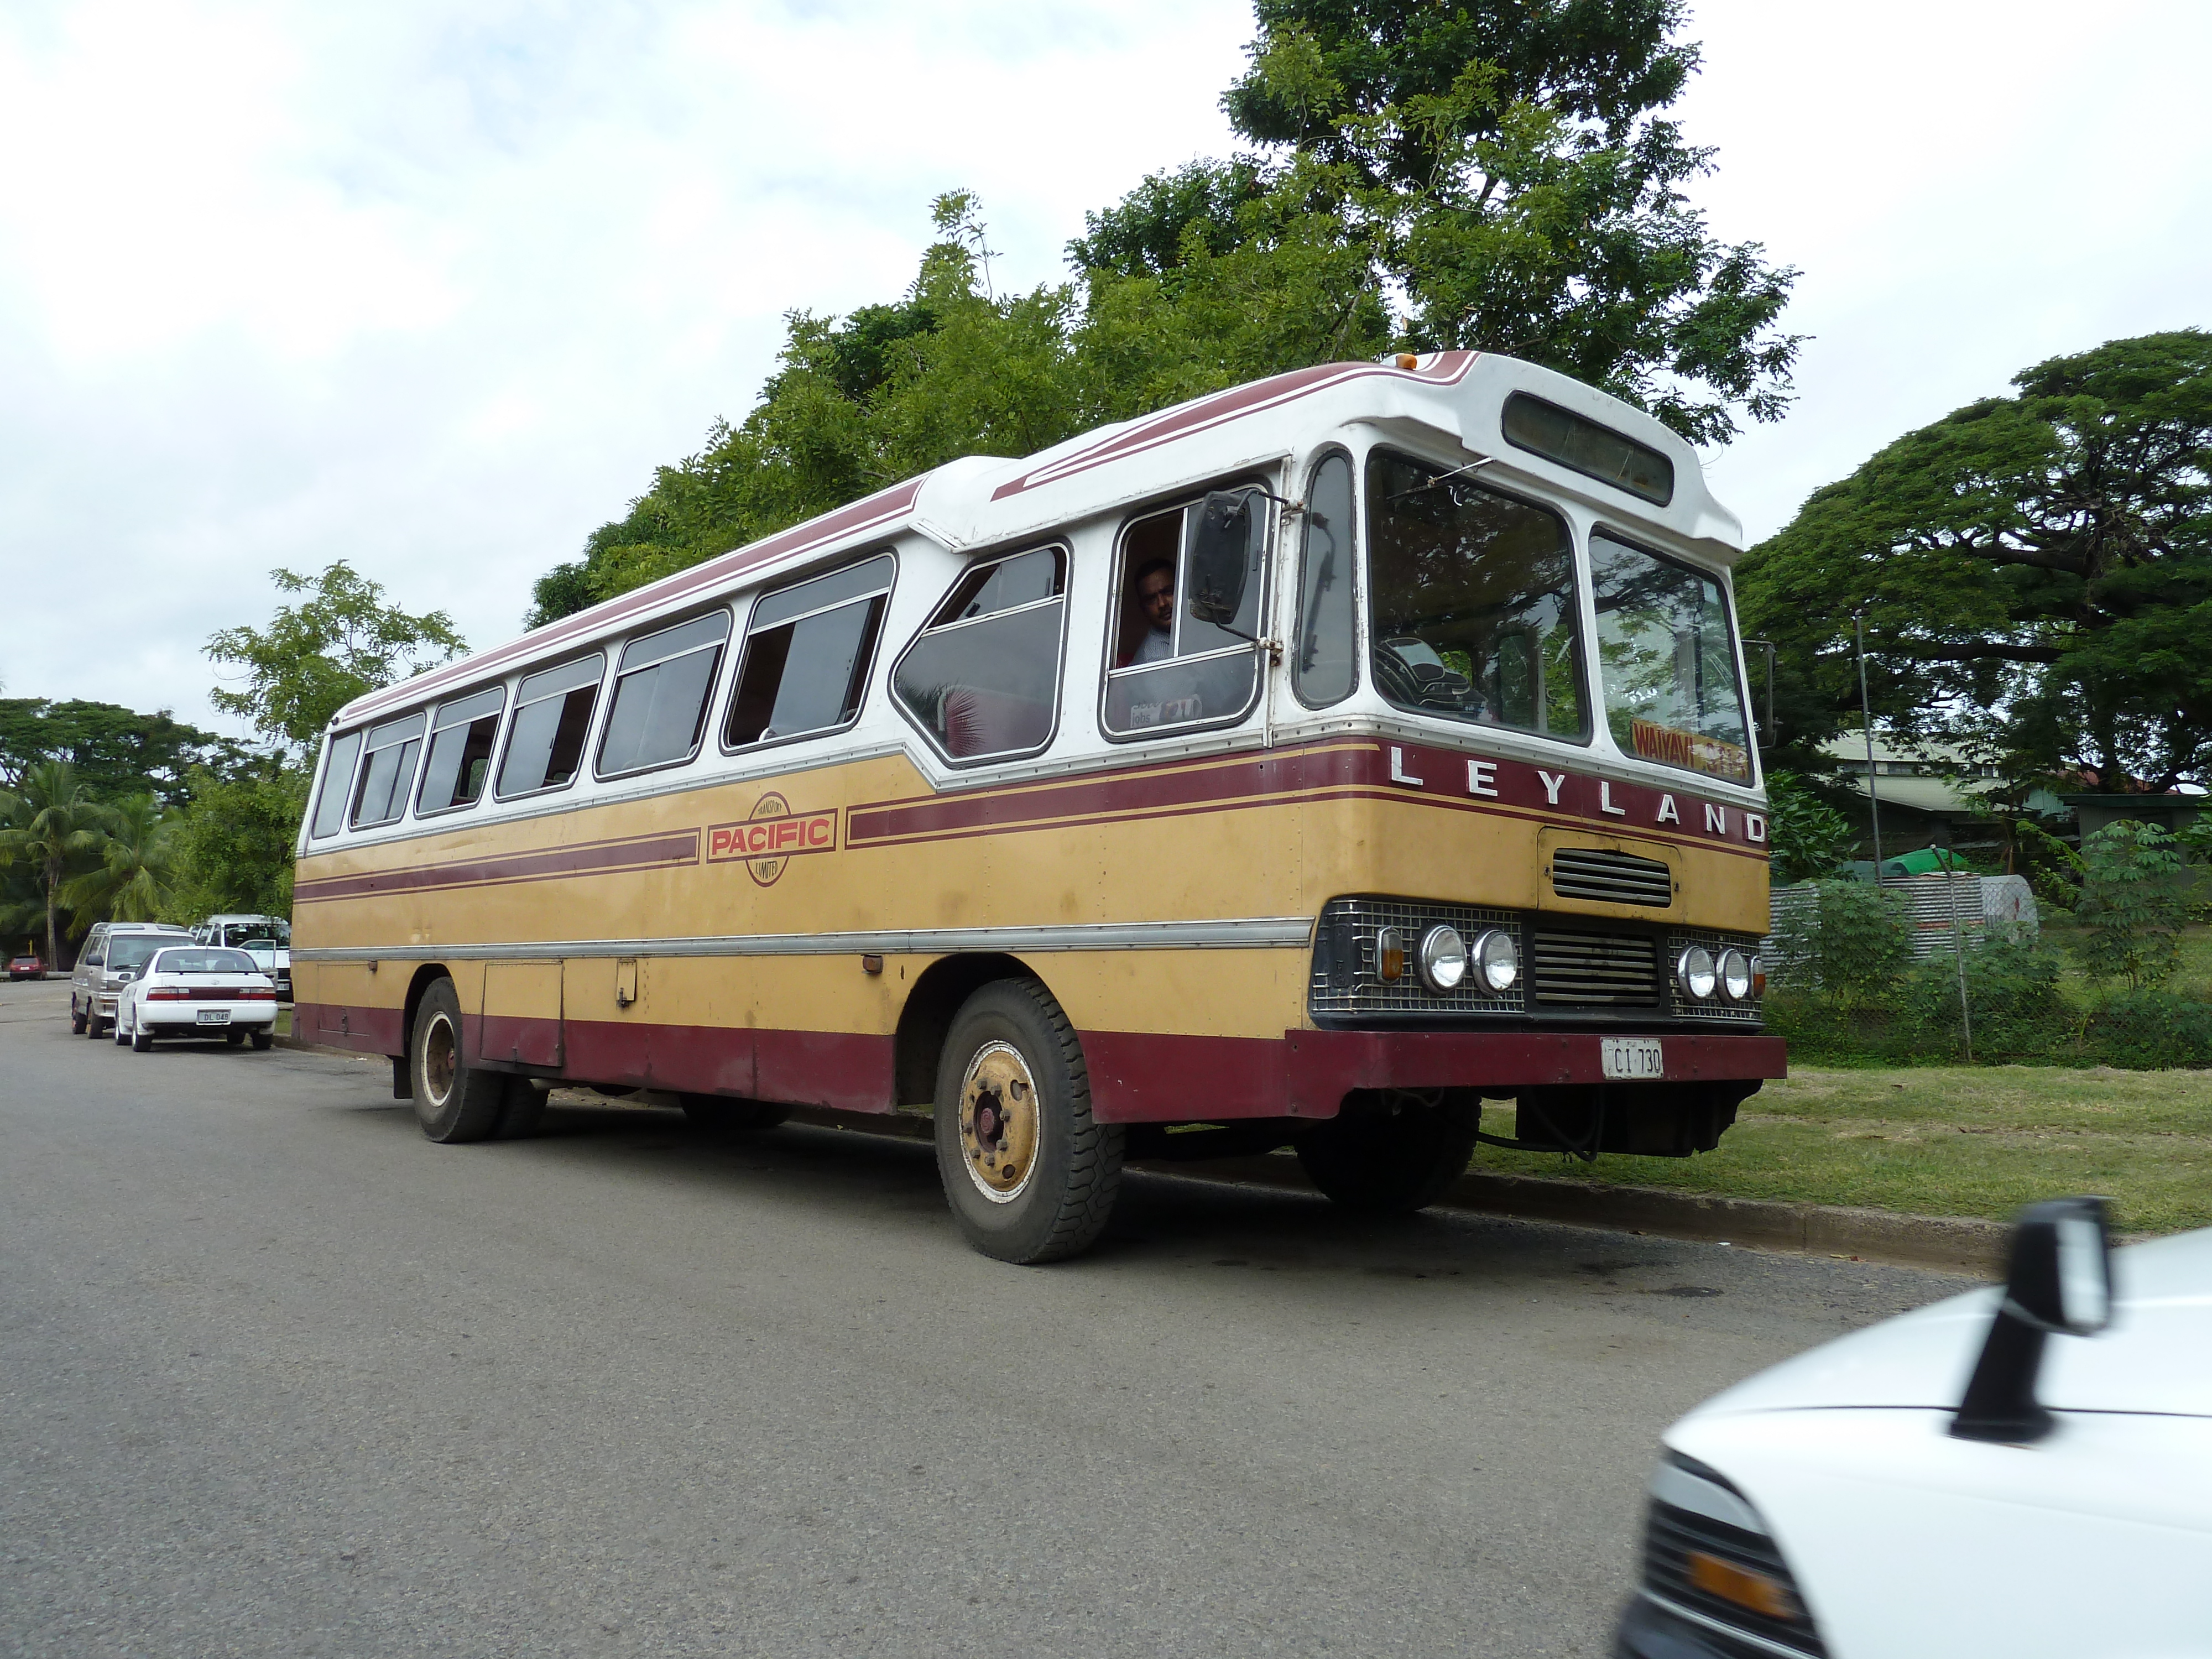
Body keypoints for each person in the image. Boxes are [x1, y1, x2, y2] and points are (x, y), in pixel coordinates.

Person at [1127, 559, 1175, 665]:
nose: (1162, 604)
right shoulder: (1157, 659)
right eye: (1151, 599)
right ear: (1143, 609)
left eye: (1168, 592)